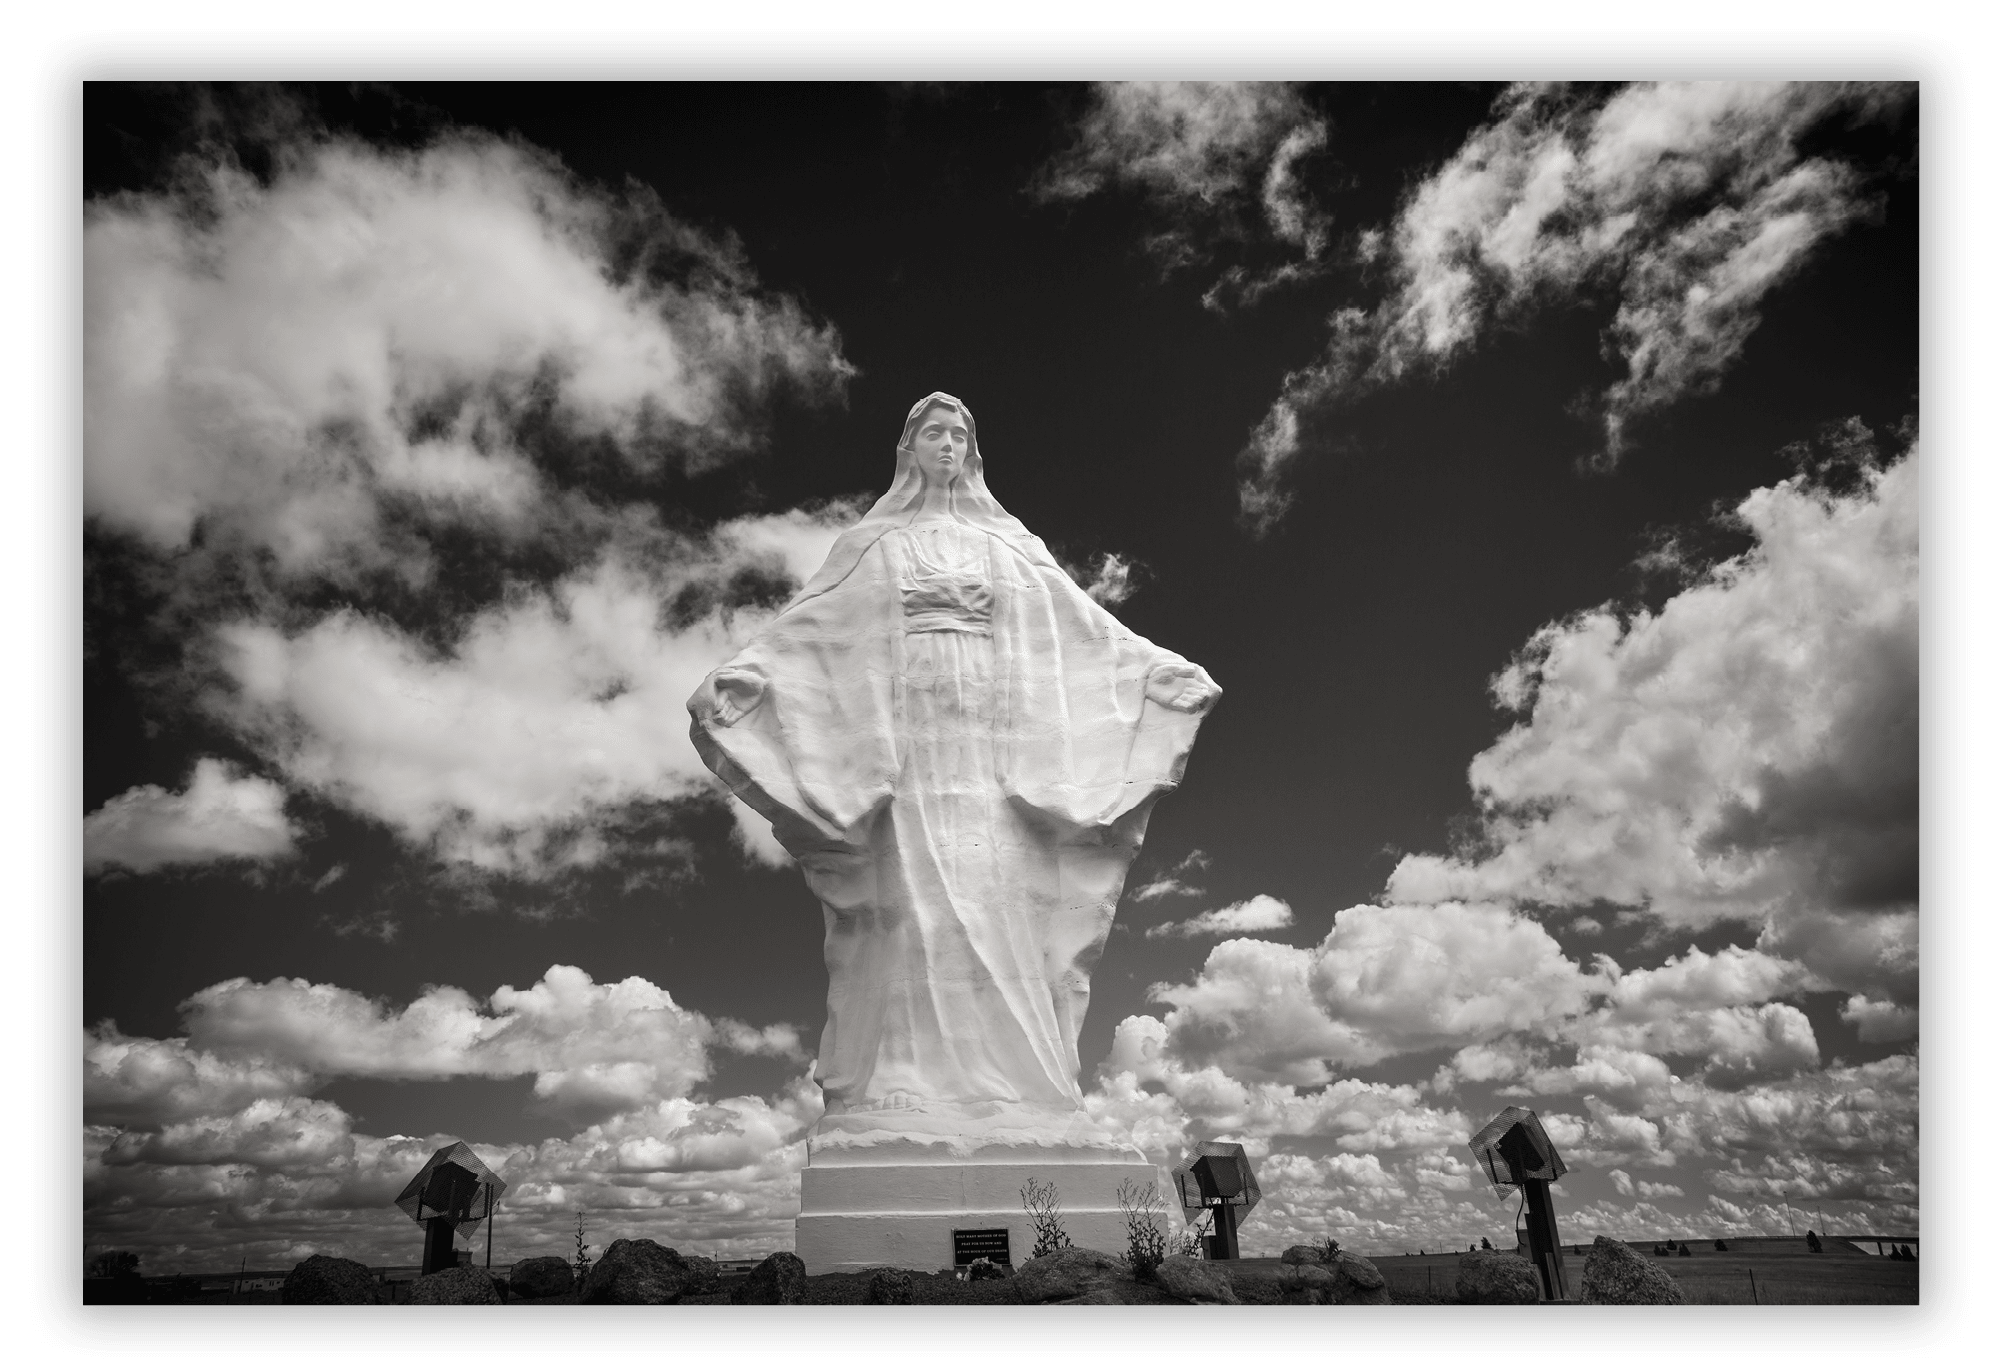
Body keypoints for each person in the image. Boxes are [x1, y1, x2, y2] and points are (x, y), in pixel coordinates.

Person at [689, 392, 1220, 1148]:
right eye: (934, 433)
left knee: (1000, 896)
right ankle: (901, 1075)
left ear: (972, 454)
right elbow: (812, 625)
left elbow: (1083, 626)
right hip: (910, 744)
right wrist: (750, 674)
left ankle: (1019, 1084)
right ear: (908, 449)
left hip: (992, 746)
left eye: (959, 435)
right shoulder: (873, 546)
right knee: (911, 903)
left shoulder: (1008, 545)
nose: (947, 445)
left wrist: (1153, 672)